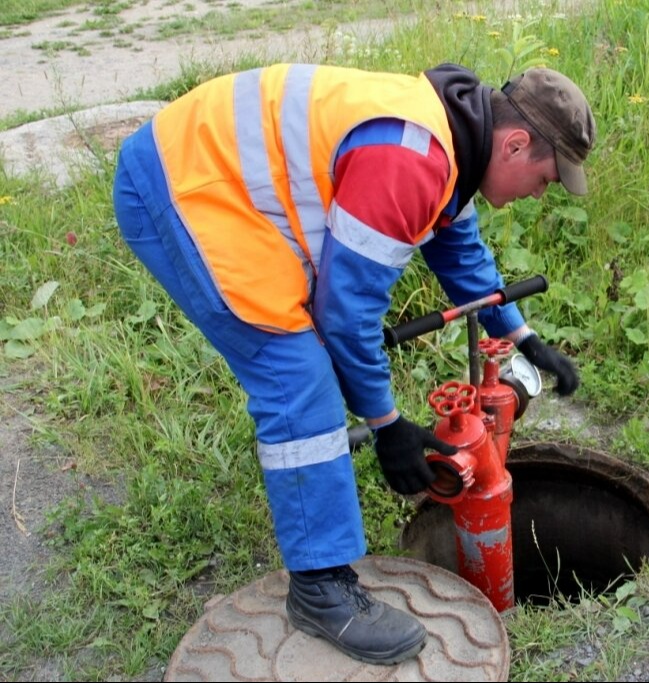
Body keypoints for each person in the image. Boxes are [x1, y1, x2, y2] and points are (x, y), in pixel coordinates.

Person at [112, 63, 595, 663]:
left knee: (307, 358)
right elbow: (346, 312)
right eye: (545, 178)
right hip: (183, 188)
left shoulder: (451, 141)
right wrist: (388, 425)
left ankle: (320, 558)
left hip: (210, 174)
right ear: (515, 143)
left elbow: (457, 248)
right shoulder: (411, 158)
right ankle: (319, 589)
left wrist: (522, 337)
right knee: (295, 374)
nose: (539, 192)